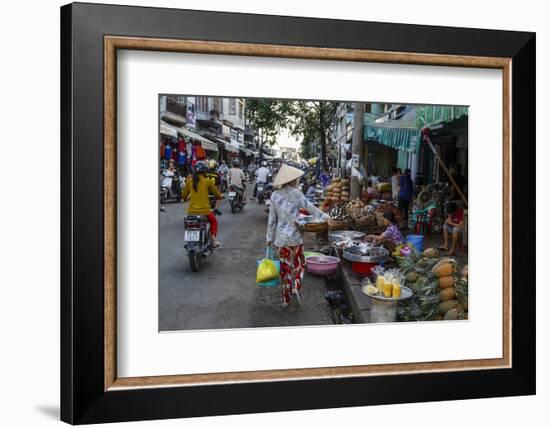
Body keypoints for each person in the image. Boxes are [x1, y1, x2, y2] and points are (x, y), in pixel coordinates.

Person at [266, 163, 329, 307]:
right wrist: (325, 216)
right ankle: (296, 286)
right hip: (295, 237)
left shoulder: (274, 195)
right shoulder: (297, 193)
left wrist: (269, 238)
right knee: (299, 265)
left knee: (285, 269)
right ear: (292, 180)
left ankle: (285, 299)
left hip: (281, 239)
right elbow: (310, 207)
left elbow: (272, 220)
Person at [181, 161, 224, 247]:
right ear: (205, 171)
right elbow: (218, 194)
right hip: (205, 211)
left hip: (191, 212)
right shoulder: (207, 182)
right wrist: (221, 196)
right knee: (214, 221)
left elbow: (183, 196)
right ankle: (213, 240)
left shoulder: (189, 181)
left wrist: (189, 196)